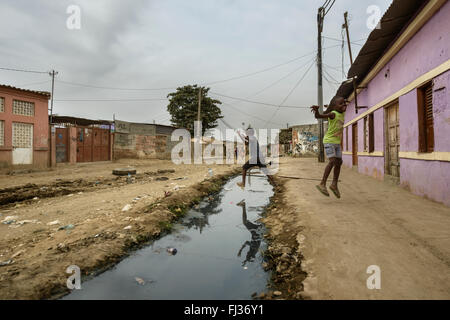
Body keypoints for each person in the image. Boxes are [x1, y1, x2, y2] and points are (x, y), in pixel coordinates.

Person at [310, 96, 347, 198]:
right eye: (341, 104)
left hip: (337, 143)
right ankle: (322, 184)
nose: (344, 105)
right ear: (335, 107)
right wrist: (316, 111)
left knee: (339, 162)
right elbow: (319, 116)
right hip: (329, 141)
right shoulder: (333, 114)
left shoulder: (342, 113)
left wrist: (342, 102)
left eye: (344, 103)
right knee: (332, 161)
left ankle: (334, 184)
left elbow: (342, 105)